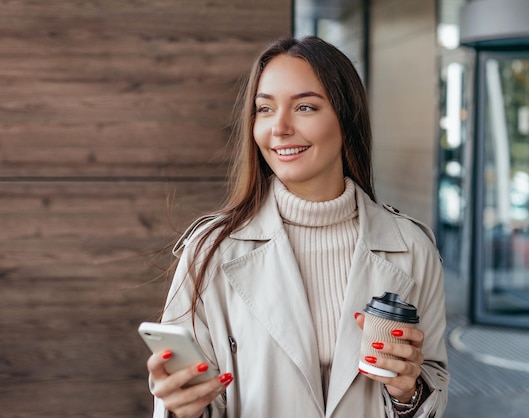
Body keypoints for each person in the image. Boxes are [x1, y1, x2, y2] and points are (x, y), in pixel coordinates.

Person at [146, 35, 449, 418]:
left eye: (305, 107)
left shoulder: (412, 247)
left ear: (346, 116)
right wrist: (180, 408)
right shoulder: (210, 250)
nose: (280, 128)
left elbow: (434, 388)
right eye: (265, 109)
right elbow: (188, 396)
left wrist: (407, 391)